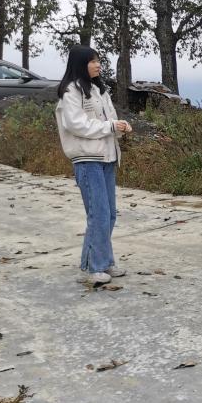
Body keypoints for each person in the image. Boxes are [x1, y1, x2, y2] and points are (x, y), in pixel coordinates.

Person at [54, 45, 131, 286]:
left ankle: (104, 261)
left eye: (98, 60)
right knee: (98, 215)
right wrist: (110, 127)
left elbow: (109, 120)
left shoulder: (99, 90)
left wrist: (120, 127)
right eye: (93, 61)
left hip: (107, 157)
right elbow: (76, 124)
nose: (98, 65)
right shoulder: (71, 91)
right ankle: (96, 266)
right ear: (80, 64)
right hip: (88, 159)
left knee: (109, 214)